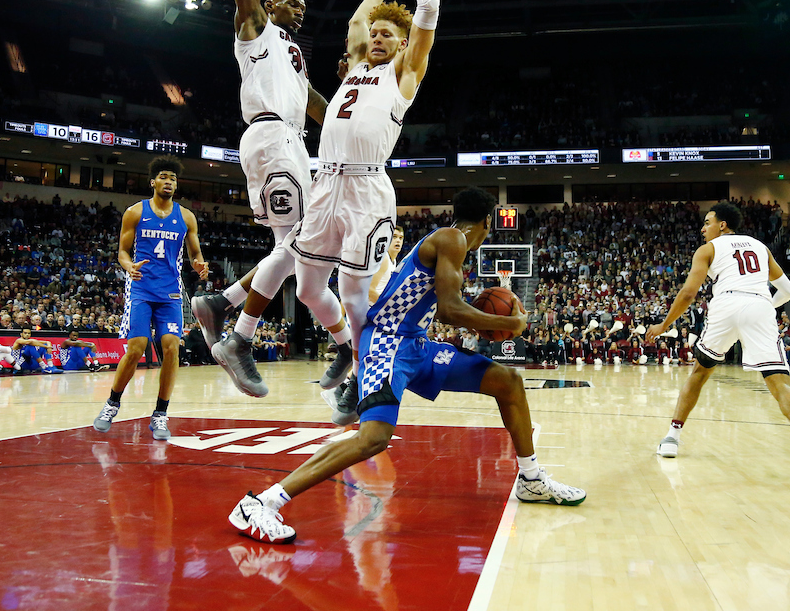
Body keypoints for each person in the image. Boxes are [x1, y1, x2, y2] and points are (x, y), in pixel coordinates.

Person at [227, 188, 585, 544]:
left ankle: (531, 479)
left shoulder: (448, 241)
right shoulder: (452, 239)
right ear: (488, 222)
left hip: (414, 344)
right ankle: (261, 503)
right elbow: (449, 309)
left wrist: (484, 324)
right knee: (373, 438)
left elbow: (446, 308)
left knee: (507, 381)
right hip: (386, 343)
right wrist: (511, 324)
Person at [191, 0, 334, 395]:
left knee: (296, 249)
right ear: (269, 8)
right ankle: (238, 335)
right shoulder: (254, 30)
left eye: (301, 7)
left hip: (290, 142)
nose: (297, 11)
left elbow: (322, 106)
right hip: (272, 137)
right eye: (289, 4)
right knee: (300, 243)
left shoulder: (294, 58)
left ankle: (218, 305)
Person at [288, 0, 439, 397]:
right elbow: (357, 19)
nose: (376, 38)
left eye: (386, 34)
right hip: (324, 184)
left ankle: (363, 375)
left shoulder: (405, 73)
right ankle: (343, 347)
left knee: (354, 293)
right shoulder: (354, 68)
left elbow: (430, 7)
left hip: (366, 189)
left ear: (401, 43)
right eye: (374, 34)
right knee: (308, 289)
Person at [646, 202, 790, 481]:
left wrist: (664, 324)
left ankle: (671, 437)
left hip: (725, 303)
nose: (703, 228)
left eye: (707, 222)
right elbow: (786, 290)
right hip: (759, 305)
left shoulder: (708, 250)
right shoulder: (760, 247)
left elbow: (689, 293)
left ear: (722, 225)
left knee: (700, 373)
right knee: (778, 381)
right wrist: (761, 307)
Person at [93, 156, 208, 441]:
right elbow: (122, 251)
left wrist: (199, 263)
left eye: (174, 178)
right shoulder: (134, 212)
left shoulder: (186, 216)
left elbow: (195, 253)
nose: (169, 182)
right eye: (165, 177)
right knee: (136, 348)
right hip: (142, 288)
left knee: (171, 349)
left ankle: (160, 414)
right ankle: (112, 404)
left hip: (170, 291)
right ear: (153, 182)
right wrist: (127, 265)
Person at [323, 225, 405, 425]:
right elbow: (367, 291)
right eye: (394, 236)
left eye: (401, 237)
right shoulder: (384, 260)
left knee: (370, 358)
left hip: (371, 315)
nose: (398, 241)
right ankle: (344, 392)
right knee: (371, 358)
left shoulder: (393, 262)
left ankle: (344, 392)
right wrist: (389, 305)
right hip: (366, 314)